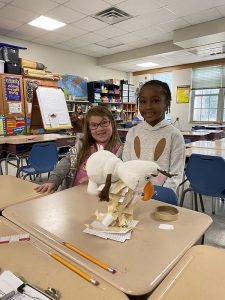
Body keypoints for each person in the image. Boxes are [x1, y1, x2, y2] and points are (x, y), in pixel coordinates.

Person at [35, 106, 123, 194]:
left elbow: (121, 179)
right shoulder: (82, 146)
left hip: (100, 199)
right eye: (94, 125)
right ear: (88, 129)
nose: (99, 128)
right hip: (73, 194)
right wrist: (53, 181)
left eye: (104, 123)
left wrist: (98, 181)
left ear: (112, 123)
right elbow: (67, 161)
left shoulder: (120, 151)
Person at [122, 80, 185, 192]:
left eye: (155, 101)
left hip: (161, 196)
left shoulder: (174, 135)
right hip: (133, 193)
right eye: (143, 101)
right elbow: (126, 165)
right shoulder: (132, 132)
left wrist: (161, 194)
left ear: (167, 104)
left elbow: (175, 174)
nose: (148, 106)